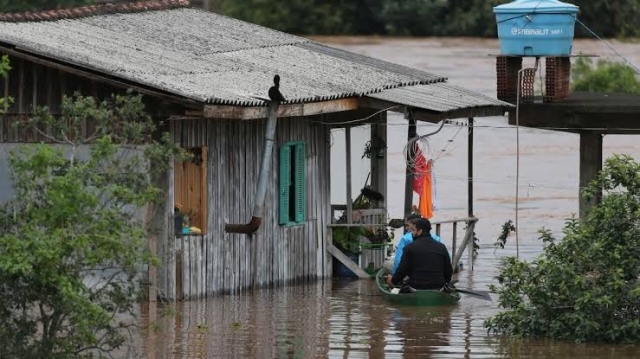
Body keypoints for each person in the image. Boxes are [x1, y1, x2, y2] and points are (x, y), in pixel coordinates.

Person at [385, 218, 453, 290]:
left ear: (420, 231)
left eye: (414, 230)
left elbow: (402, 271)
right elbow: (448, 271)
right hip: (438, 286)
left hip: (416, 287)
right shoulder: (441, 247)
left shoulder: (409, 248)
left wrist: (392, 280)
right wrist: (446, 283)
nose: (412, 234)